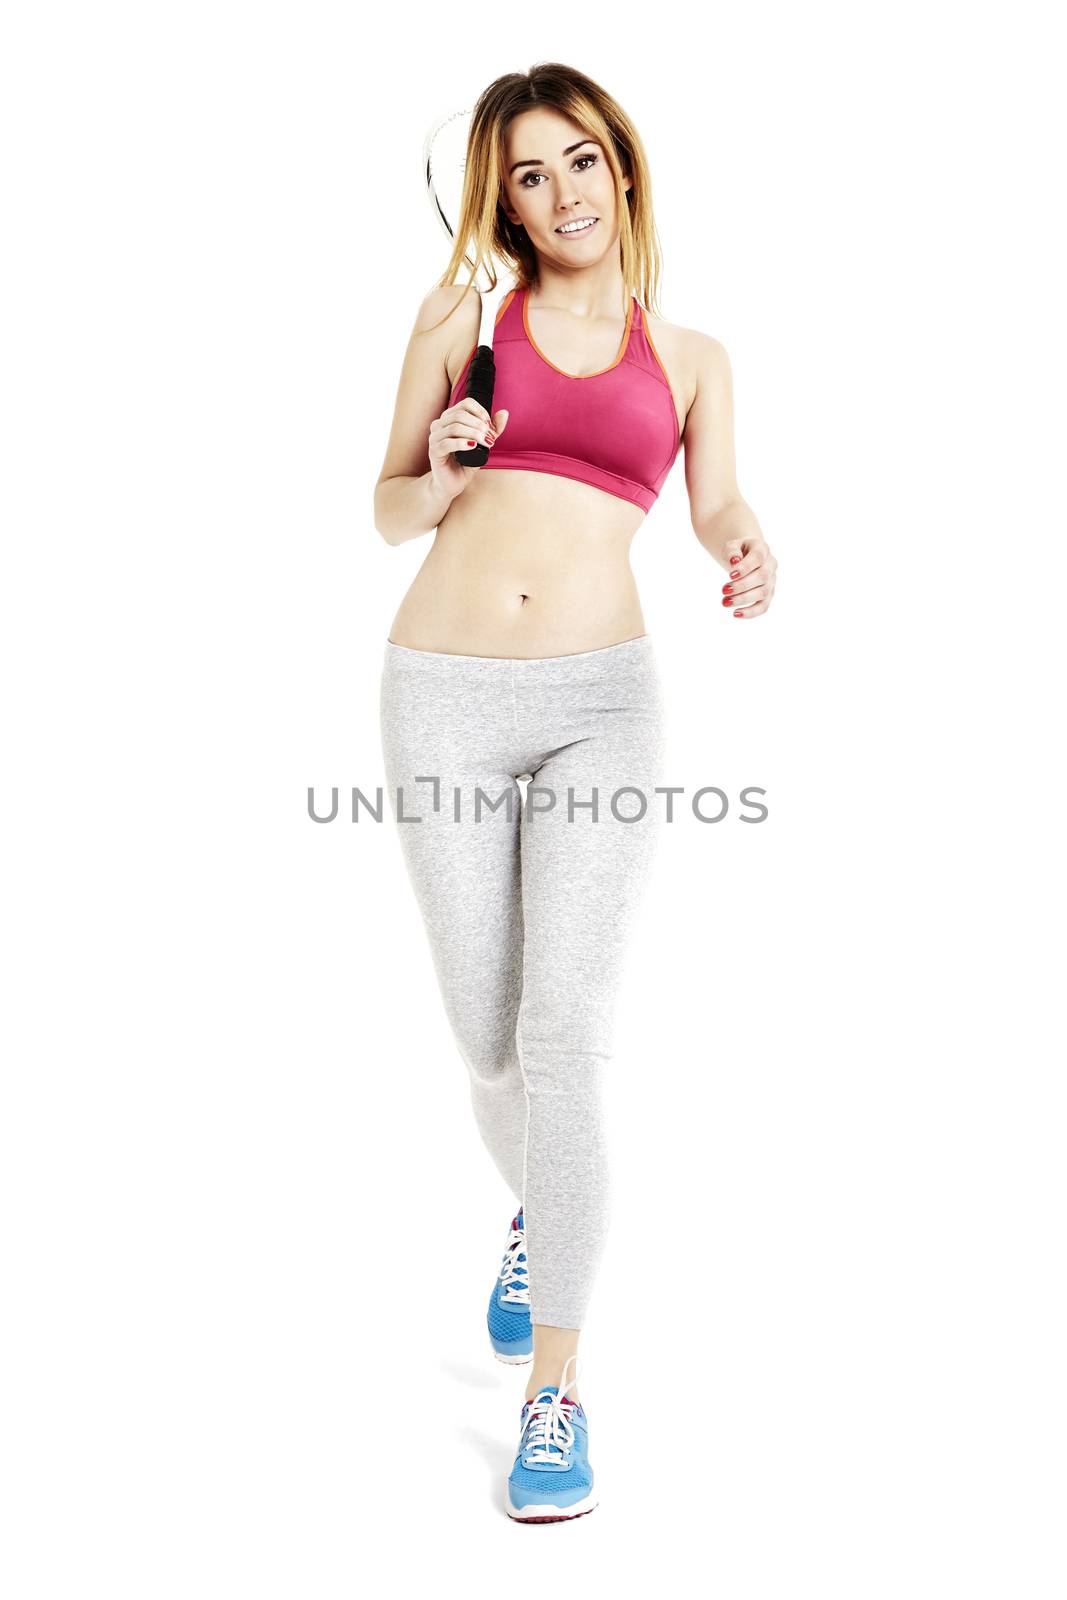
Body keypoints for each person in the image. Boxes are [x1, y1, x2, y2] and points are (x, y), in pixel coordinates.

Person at [374, 62, 778, 1523]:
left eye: (583, 160)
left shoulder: (695, 357)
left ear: (624, 165)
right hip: (443, 695)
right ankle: (543, 1212)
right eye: (531, 175)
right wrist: (441, 460)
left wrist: (746, 543)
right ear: (504, 198)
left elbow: (715, 497)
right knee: (491, 1044)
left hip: (606, 705)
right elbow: (383, 506)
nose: (564, 194)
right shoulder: (461, 325)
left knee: (567, 1040)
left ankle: (557, 1391)